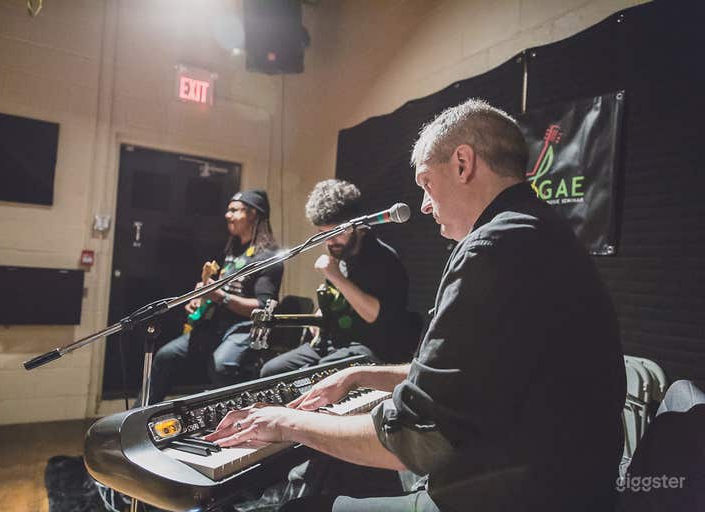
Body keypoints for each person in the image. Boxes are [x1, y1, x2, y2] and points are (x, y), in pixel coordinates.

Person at [205, 99, 626, 511]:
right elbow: (473, 369)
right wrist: (359, 374)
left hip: (514, 494)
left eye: (426, 183)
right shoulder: (539, 231)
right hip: (553, 481)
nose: (424, 205)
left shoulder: (493, 245)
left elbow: (416, 437)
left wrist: (284, 423)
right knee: (336, 469)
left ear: (463, 164)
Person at [259, 179, 411, 378]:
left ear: (359, 227)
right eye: (323, 233)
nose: (330, 241)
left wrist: (335, 275)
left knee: (315, 377)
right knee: (271, 371)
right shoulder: (340, 256)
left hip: (369, 348)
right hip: (331, 343)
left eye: (337, 232)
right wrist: (320, 314)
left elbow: (373, 314)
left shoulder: (384, 260)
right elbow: (335, 298)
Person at [144, 189, 283, 404]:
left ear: (254, 214)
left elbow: (264, 307)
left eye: (235, 210)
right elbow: (217, 290)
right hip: (214, 325)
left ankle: (239, 417)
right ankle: (140, 417)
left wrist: (220, 297)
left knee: (221, 365)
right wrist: (201, 299)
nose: (228, 215)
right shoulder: (233, 251)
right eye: (228, 210)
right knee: (166, 355)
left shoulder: (268, 257)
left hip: (243, 329)